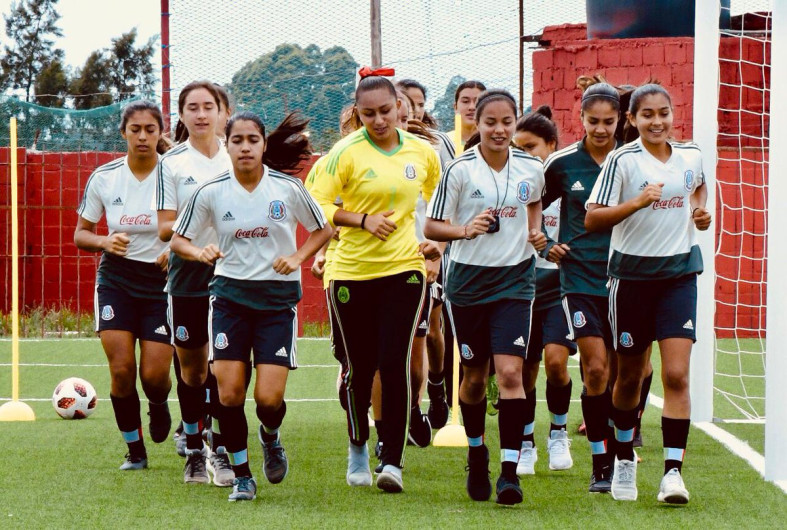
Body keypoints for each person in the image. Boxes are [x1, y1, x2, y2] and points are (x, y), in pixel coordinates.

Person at [171, 111, 332, 502]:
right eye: (237, 140)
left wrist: (298, 257)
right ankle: (243, 476)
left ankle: (270, 436)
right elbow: (177, 240)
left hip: (277, 301)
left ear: (263, 144)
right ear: (226, 145)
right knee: (228, 394)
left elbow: (324, 229)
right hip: (229, 298)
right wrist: (198, 251)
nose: (245, 147)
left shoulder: (287, 188)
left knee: (268, 400)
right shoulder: (210, 192)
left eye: (252, 140)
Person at [310, 70, 442, 493]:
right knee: (359, 367)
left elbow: (440, 203)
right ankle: (358, 448)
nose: (379, 120)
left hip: (404, 269)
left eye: (386, 111)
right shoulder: (344, 153)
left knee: (395, 362)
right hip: (351, 272)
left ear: (400, 107)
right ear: (358, 113)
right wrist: (361, 219)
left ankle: (393, 461)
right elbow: (315, 204)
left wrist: (437, 246)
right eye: (369, 114)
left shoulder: (422, 153)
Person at [585, 84, 710, 504]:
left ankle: (672, 474)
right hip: (631, 280)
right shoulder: (622, 160)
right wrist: (637, 203)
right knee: (630, 377)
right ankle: (623, 456)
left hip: (679, 276)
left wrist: (699, 211)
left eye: (664, 113)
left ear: (673, 114)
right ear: (632, 119)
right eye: (647, 115)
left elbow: (697, 186)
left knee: (676, 374)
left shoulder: (691, 155)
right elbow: (593, 219)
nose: (657, 122)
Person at [425, 89, 547, 505]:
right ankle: (477, 454)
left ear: (515, 123)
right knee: (475, 377)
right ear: (475, 123)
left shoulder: (531, 167)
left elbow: (534, 203)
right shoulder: (459, 170)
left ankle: (509, 473)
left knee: (511, 374)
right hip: (468, 284)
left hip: (515, 281)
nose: (499, 130)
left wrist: (535, 232)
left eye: (506, 122)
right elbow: (432, 227)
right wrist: (465, 230)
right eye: (490, 122)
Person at [74, 101, 174, 470]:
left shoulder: (175, 174)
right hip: (116, 279)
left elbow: (198, 224)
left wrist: (175, 250)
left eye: (150, 129)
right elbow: (81, 234)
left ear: (160, 132)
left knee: (154, 376)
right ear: (124, 133)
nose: (143, 136)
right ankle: (135, 450)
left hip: (162, 283)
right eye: (136, 129)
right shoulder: (104, 177)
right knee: (121, 370)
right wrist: (104, 241)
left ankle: (159, 403)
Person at [541, 83, 624, 493]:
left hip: (628, 277)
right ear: (581, 119)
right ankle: (600, 464)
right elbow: (531, 205)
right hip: (579, 278)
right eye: (594, 121)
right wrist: (544, 241)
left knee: (627, 375)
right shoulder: (562, 164)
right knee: (595, 369)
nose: (601, 129)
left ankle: (623, 450)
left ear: (620, 120)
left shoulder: (632, 160)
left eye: (609, 121)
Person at [156, 80, 234, 486]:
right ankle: (192, 448)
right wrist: (197, 240)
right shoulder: (171, 164)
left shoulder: (236, 156)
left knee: (224, 367)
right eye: (193, 107)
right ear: (182, 115)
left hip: (234, 273)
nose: (201, 114)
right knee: (192, 372)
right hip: (188, 273)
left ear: (222, 112)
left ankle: (220, 450)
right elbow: (164, 226)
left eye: (209, 106)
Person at [511, 106, 577, 476]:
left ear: (551, 145)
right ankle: (525, 441)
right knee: (524, 369)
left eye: (530, 146)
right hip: (520, 288)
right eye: (517, 148)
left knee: (555, 361)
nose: (523, 154)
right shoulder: (510, 184)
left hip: (559, 287)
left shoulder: (565, 183)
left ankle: (558, 431)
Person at [396, 78, 453, 429]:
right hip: (388, 261)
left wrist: (437, 254)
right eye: (406, 106)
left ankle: (436, 386)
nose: (413, 112)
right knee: (403, 337)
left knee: (431, 331)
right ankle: (410, 406)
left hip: (425, 253)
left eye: (417, 105)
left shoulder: (433, 147)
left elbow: (447, 206)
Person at [448, 80, 487, 152]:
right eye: (465, 101)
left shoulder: (494, 142)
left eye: (477, 102)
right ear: (455, 107)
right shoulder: (444, 142)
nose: (472, 107)